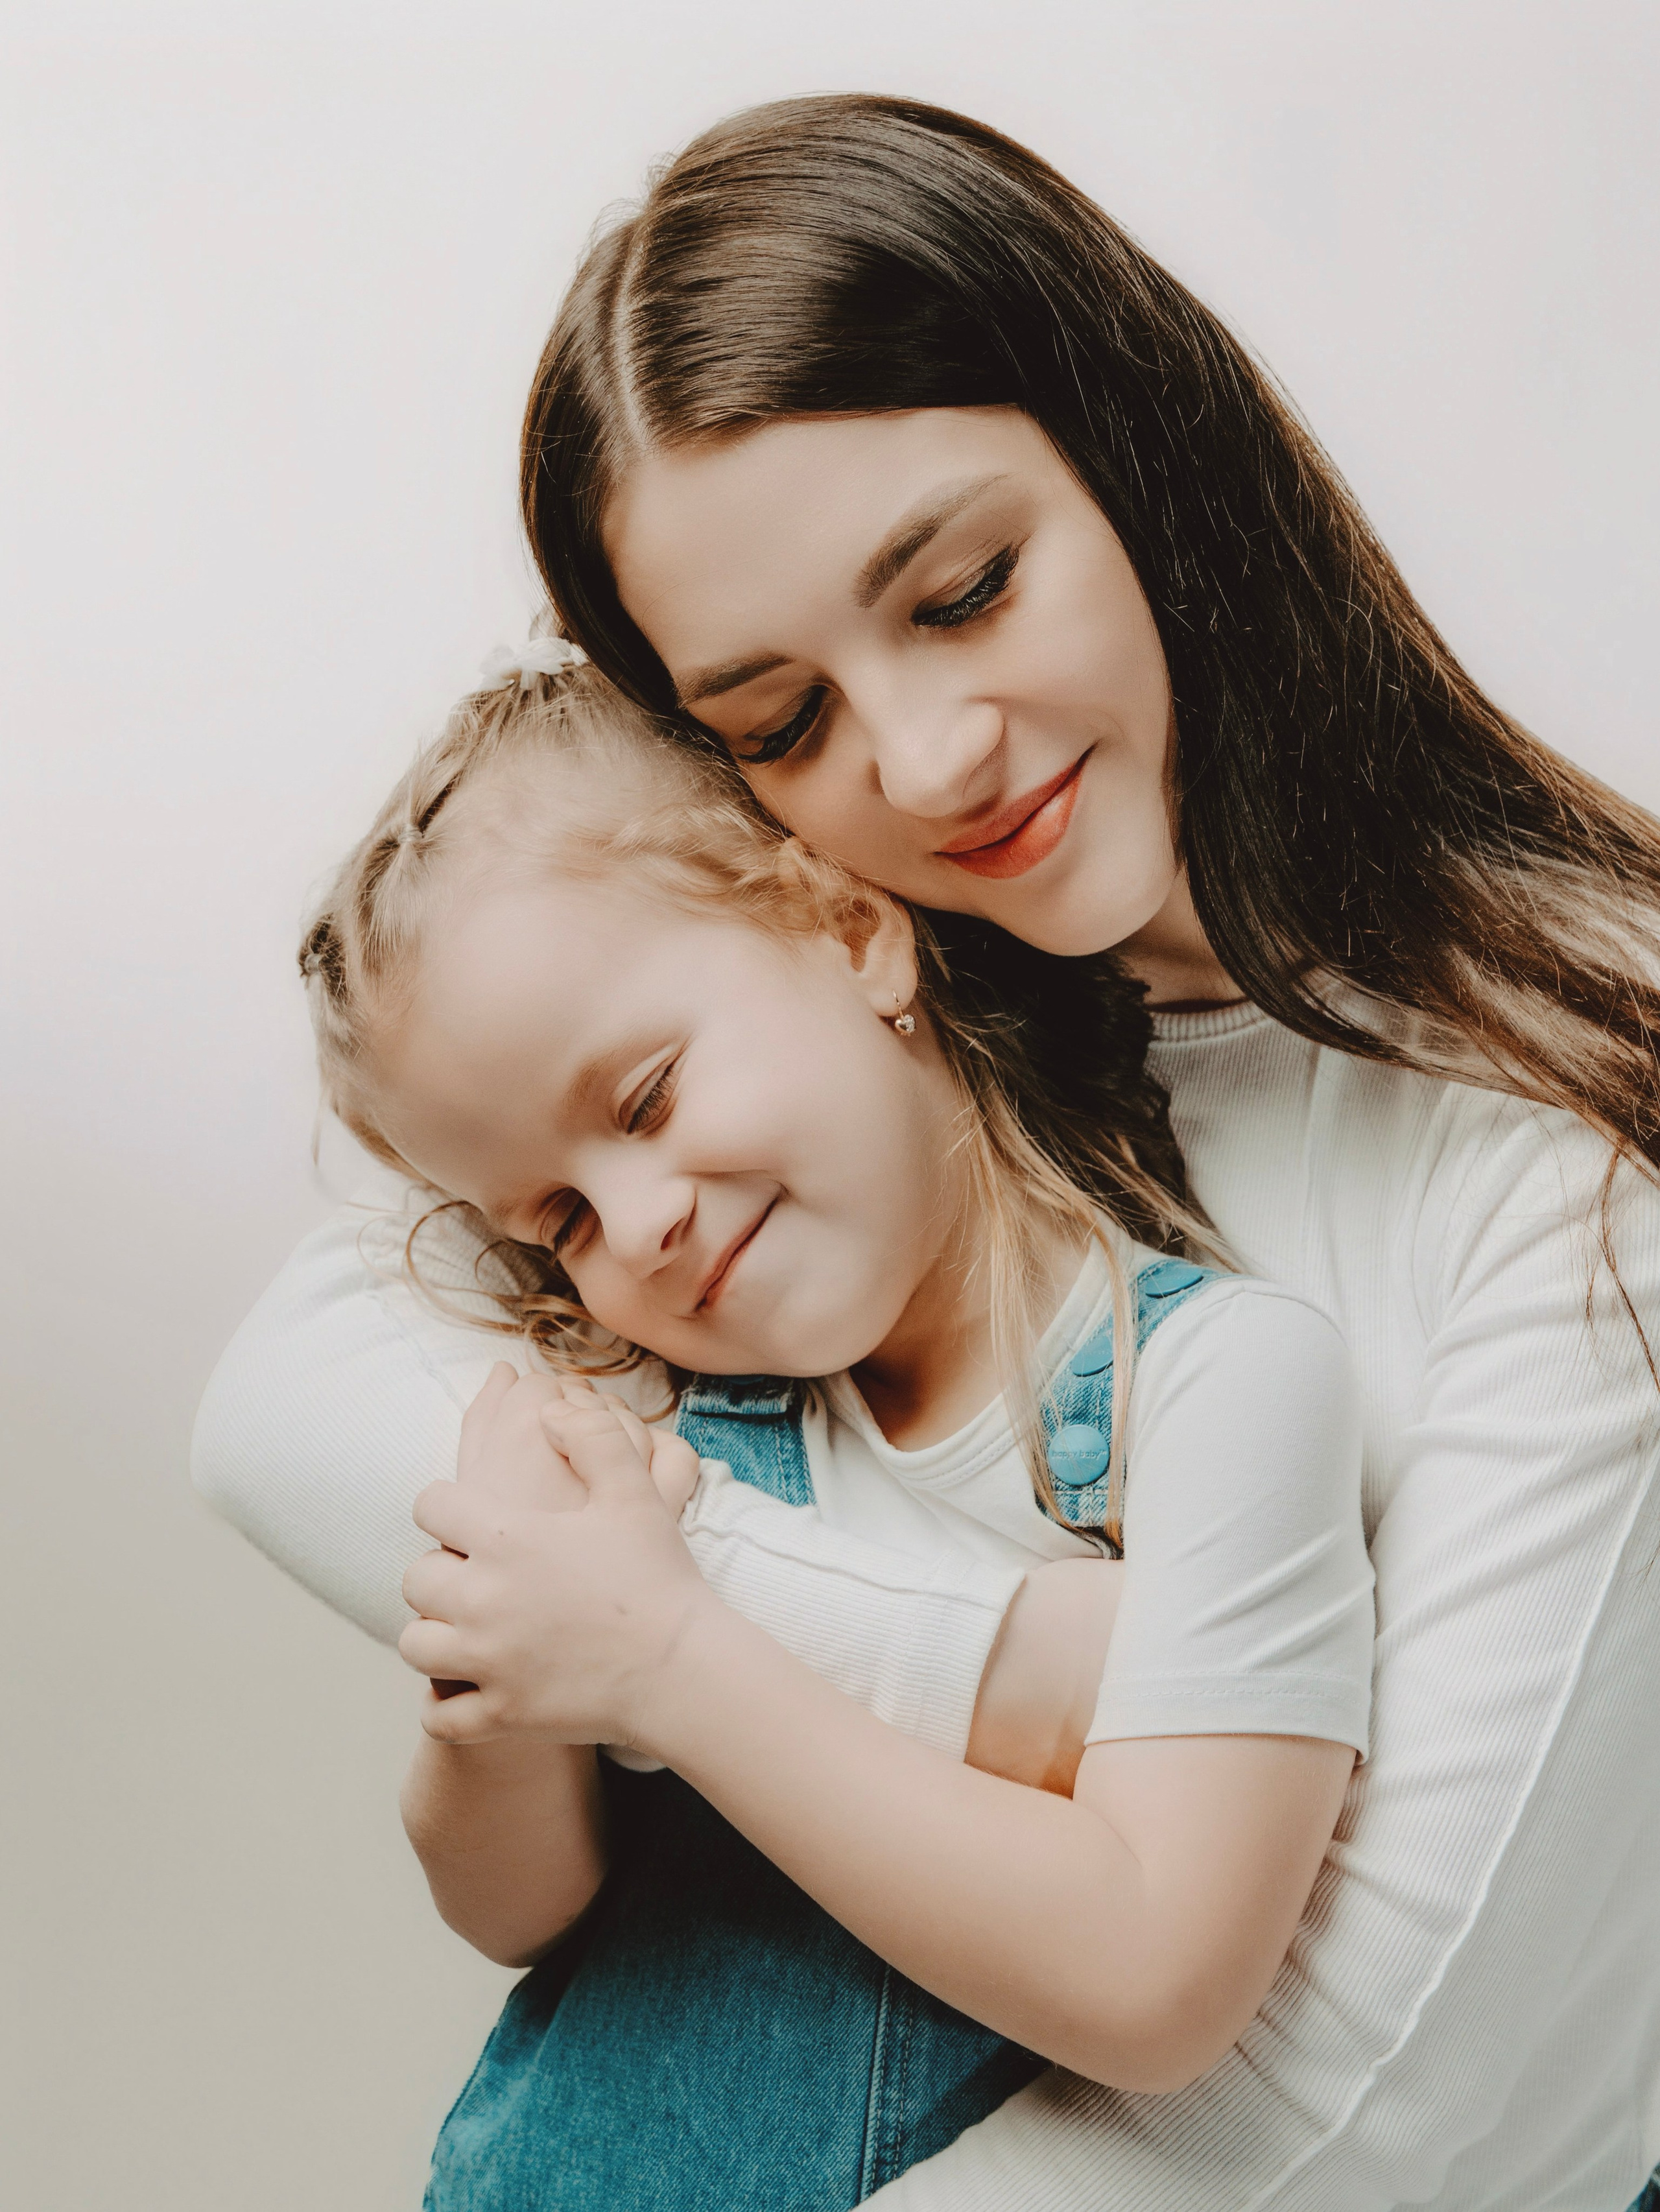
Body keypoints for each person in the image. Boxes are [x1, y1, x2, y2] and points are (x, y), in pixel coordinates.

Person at [195, 92, 1660, 2211]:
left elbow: (1374, 2110)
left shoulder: (1555, 1139)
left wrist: (683, 1643)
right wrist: (1003, 1674)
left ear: (1141, 450)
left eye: (965, 591)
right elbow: (281, 1392)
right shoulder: (867, 1100)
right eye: (780, 722)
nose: (929, 761)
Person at [289, 648, 1370, 2206]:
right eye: (558, 1219)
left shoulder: (1220, 1387)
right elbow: (522, 1912)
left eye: (647, 1100)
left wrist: (670, 1657)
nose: (637, 1225)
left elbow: (1157, 1980)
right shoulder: (648, 1424)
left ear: (851, 929)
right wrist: (497, 1696)